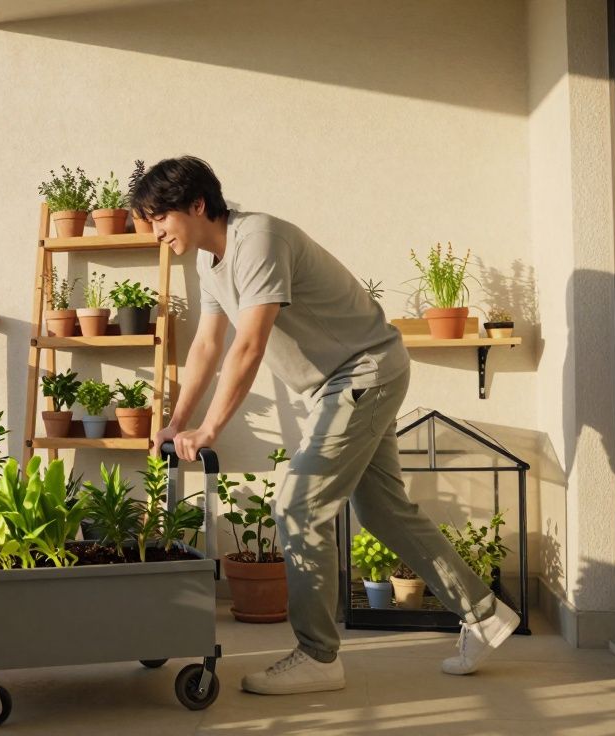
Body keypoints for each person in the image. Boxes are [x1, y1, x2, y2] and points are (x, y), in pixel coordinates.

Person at [137, 156, 519, 696]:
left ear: (197, 206)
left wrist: (211, 429)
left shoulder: (258, 240)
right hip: (345, 381)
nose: (156, 233)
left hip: (363, 372)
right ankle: (483, 613)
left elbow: (247, 346)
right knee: (384, 511)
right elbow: (207, 345)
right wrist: (177, 423)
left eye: (160, 219)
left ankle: (318, 655)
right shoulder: (211, 262)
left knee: (298, 504)